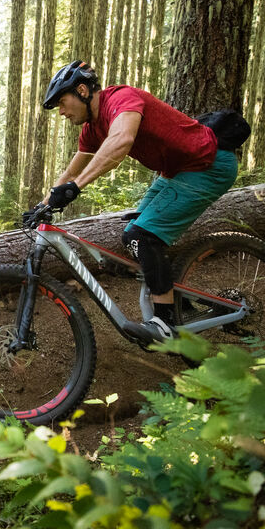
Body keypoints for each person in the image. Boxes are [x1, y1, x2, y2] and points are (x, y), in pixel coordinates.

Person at [37, 60, 239, 342]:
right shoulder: (92, 129)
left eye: (62, 102)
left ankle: (165, 323)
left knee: (142, 237)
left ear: (82, 90)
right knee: (132, 234)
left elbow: (121, 140)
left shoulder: (122, 99)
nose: (61, 111)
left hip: (209, 165)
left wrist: (76, 188)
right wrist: (42, 205)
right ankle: (183, 308)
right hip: (177, 171)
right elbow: (72, 171)